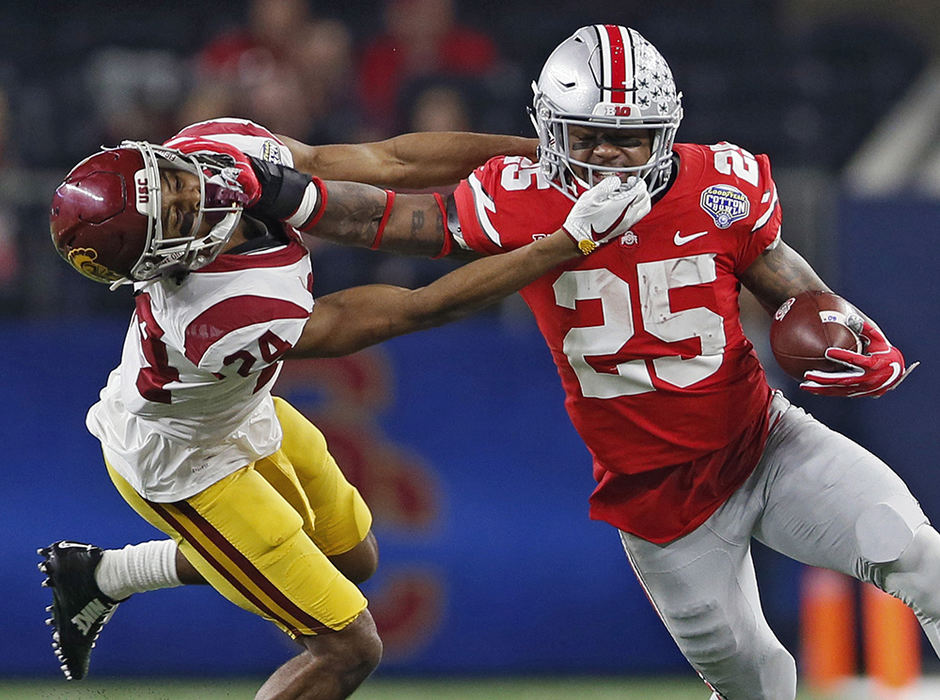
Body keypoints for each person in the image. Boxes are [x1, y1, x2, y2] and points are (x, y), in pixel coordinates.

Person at [291, 25, 937, 700]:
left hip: (765, 443)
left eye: (625, 137)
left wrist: (855, 330)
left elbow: (786, 278)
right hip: (657, 502)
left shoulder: (720, 183)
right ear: (548, 130)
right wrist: (285, 194)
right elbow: (385, 219)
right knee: (758, 684)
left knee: (919, 556)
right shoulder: (521, 197)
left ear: (663, 133)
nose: (604, 156)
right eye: (585, 136)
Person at [39, 116, 648, 699]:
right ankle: (100, 578)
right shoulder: (215, 314)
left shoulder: (215, 146)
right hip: (183, 466)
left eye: (173, 179)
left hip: (244, 411)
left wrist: (548, 155)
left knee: (354, 557)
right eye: (174, 213)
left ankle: (102, 576)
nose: (195, 193)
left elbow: (386, 159)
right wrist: (570, 241)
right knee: (349, 648)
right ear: (164, 263)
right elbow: (418, 307)